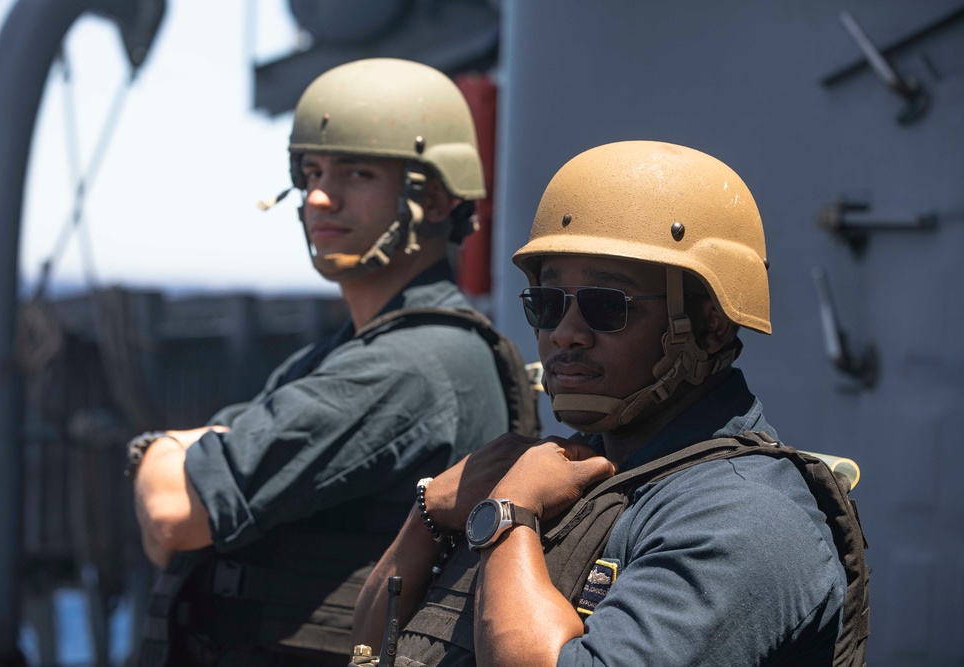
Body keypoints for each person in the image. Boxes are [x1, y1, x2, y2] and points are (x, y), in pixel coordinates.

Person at [353, 140, 868, 666]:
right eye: (548, 304)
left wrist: (506, 517)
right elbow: (370, 649)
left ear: (710, 325)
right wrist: (430, 516)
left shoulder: (742, 518)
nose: (565, 333)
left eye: (606, 305)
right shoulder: (544, 475)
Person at [129, 58, 533, 667]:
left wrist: (156, 447)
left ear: (440, 194)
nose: (320, 195)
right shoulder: (355, 353)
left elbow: (171, 515)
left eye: (357, 172)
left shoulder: (405, 367)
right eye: (311, 171)